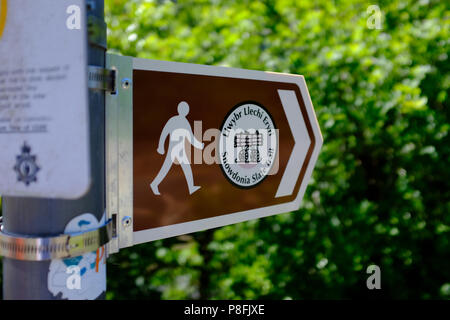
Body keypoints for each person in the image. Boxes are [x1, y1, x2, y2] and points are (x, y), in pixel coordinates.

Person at [150, 101, 204, 195]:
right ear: (181, 110)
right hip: (174, 149)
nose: (186, 111)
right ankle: (154, 184)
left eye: (186, 109)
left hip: (180, 150)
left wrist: (199, 145)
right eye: (184, 109)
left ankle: (191, 187)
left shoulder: (185, 122)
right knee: (166, 168)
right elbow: (165, 132)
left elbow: (190, 137)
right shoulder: (174, 120)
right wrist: (160, 146)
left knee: (186, 167)